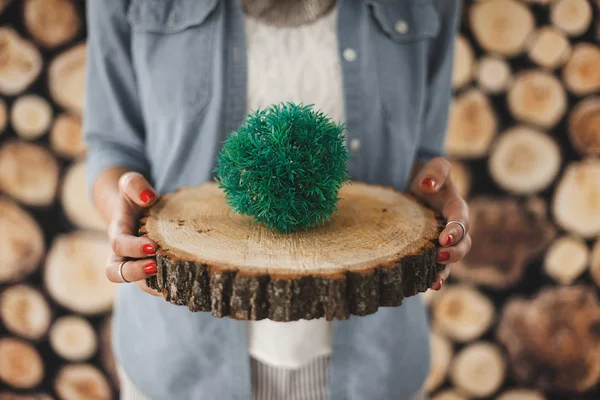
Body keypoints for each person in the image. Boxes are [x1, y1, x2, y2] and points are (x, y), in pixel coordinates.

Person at [84, 0, 470, 399]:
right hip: (183, 356)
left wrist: (431, 199)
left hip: (373, 358)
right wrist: (123, 213)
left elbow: (424, 151)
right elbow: (111, 146)